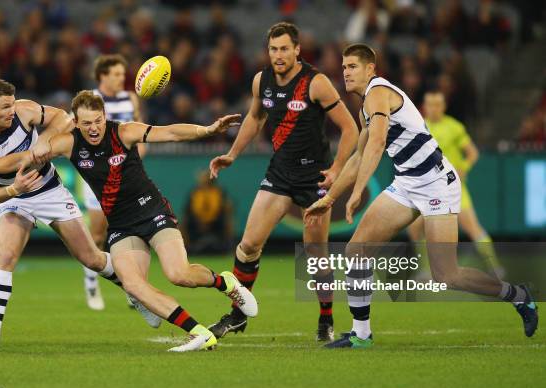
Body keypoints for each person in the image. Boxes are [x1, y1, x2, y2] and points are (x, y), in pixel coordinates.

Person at [0, 90, 258, 352]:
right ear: (76, 123)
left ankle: (225, 282)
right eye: (87, 123)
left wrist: (207, 129)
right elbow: (23, 158)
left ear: (105, 117)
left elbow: (169, 133)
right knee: (133, 285)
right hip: (120, 223)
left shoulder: (124, 131)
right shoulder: (67, 143)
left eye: (98, 120)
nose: (94, 128)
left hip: (151, 210)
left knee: (178, 274)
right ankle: (199, 332)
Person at [305, 44, 538, 349]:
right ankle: (361, 334)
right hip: (407, 184)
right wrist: (331, 198)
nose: (345, 72)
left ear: (370, 69)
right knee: (356, 251)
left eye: (352, 66)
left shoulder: (378, 92)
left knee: (447, 275)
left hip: (436, 184)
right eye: (344, 67)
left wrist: (358, 190)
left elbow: (376, 145)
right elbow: (358, 157)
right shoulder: (365, 107)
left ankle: (518, 295)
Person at [0, 78, 156, 351]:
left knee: (91, 258)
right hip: (13, 198)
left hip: (49, 190)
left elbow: (63, 118)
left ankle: (137, 293)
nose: (11, 111)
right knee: (5, 257)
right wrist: (13, 190)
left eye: (12, 104)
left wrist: (41, 142)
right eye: (5, 107)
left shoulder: (25, 110)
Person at [208, 22, 360, 341]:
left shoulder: (315, 83)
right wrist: (233, 153)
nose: (278, 55)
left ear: (297, 50)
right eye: (273, 49)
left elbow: (350, 128)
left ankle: (325, 318)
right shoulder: (261, 81)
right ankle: (239, 314)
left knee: (315, 252)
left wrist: (335, 170)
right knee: (248, 245)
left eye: (284, 49)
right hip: (279, 173)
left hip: (313, 179)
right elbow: (255, 117)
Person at [407, 91, 504, 278]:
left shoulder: (454, 127)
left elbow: (472, 153)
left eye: (437, 104)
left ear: (443, 106)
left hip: (452, 188)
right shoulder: (419, 126)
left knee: (473, 227)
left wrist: (464, 168)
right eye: (430, 104)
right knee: (415, 228)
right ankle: (426, 269)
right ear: (424, 106)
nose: (434, 108)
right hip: (426, 189)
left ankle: (495, 267)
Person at [81, 54, 145, 311]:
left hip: (127, 175)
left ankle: (135, 288)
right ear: (102, 76)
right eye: (116, 74)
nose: (122, 78)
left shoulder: (131, 98)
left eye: (122, 74)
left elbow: (138, 132)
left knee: (134, 231)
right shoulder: (88, 100)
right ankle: (91, 283)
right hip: (98, 176)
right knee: (97, 235)